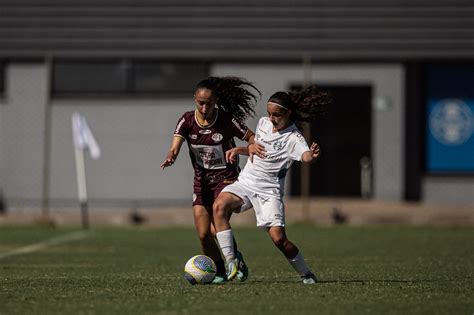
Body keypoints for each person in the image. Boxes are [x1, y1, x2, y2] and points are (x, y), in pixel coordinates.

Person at [212, 85, 332, 284]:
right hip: (246, 182)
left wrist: (312, 156)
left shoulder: (294, 138)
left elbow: (305, 156)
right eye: (269, 114)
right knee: (219, 205)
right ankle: (231, 262)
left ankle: (306, 273)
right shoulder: (263, 123)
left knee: (279, 240)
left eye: (276, 115)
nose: (271, 119)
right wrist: (244, 148)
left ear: (288, 114)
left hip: (269, 191)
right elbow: (258, 149)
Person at [160, 76, 264, 283]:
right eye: (200, 102)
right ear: (194, 100)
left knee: (217, 227)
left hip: (226, 180)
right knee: (203, 234)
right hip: (202, 182)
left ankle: (234, 261)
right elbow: (175, 144)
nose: (204, 107)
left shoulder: (226, 119)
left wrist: (249, 147)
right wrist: (171, 155)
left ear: (216, 101)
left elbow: (251, 137)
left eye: (209, 102)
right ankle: (219, 272)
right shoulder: (187, 120)